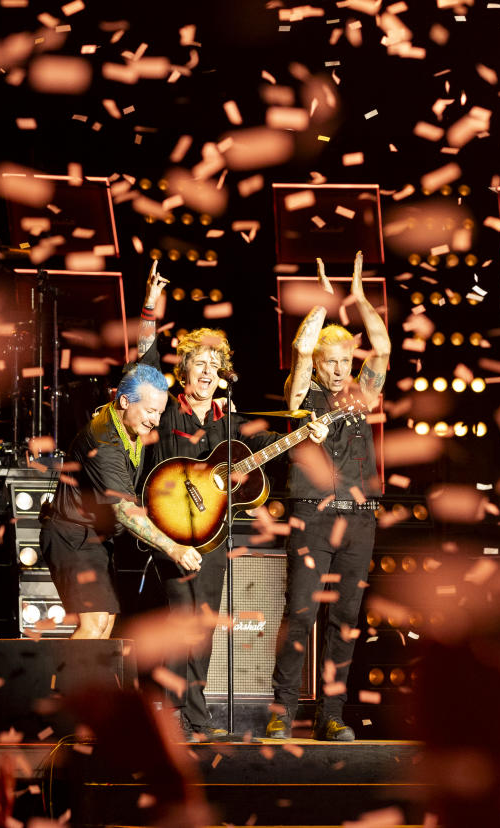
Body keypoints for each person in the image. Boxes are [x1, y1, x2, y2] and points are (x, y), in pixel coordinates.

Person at [136, 263, 328, 740]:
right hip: (171, 535)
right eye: (198, 363)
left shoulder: (230, 420)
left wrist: (311, 434)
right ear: (183, 370)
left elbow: (276, 444)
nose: (206, 371)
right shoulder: (163, 410)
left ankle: (190, 717)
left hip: (214, 538)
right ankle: (183, 715)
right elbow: (140, 361)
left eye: (213, 365)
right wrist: (148, 311)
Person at [267, 250, 390, 741]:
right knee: (300, 613)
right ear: (319, 363)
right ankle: (282, 710)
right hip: (313, 517)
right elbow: (299, 353)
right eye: (331, 362)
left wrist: (357, 299)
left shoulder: (362, 393)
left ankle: (331, 715)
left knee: (344, 621)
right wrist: (321, 303)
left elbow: (381, 346)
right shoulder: (303, 394)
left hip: (359, 519)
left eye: (344, 362)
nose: (339, 370)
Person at [40, 361, 203, 639]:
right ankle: (58, 684)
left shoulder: (127, 423)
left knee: (106, 625)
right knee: (93, 625)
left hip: (96, 539)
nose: (156, 421)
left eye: (160, 412)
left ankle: (87, 682)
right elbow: (125, 511)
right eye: (151, 411)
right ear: (125, 401)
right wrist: (173, 548)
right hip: (71, 535)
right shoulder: (103, 443)